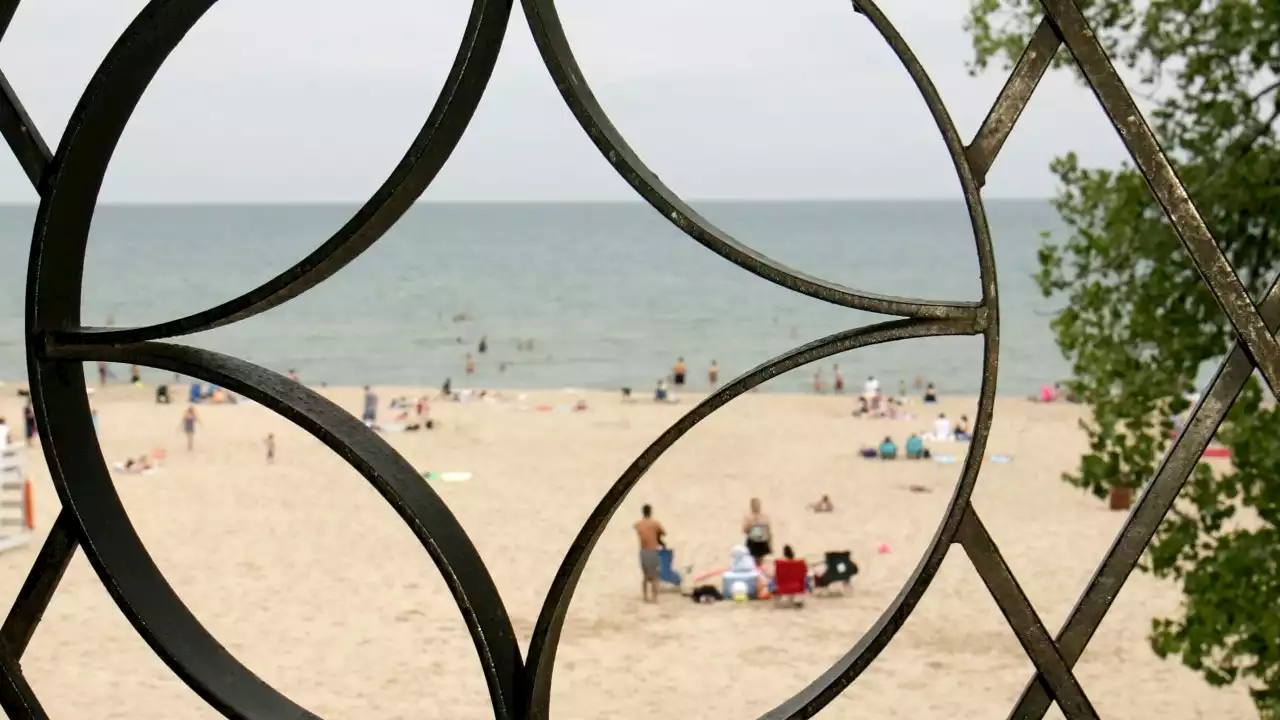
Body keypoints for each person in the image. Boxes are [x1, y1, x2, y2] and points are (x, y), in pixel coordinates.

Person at [634, 504, 666, 603]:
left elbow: (637, 529)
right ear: (650, 512)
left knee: (645, 576)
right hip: (653, 551)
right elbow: (663, 533)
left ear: (642, 512)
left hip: (643, 551)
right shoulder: (655, 523)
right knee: (655, 576)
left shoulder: (638, 524)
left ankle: (645, 597)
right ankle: (654, 598)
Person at [742, 498, 773, 567]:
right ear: (752, 506)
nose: (757, 507)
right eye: (755, 505)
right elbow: (745, 531)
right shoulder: (748, 518)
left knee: (761, 562)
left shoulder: (764, 517)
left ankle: (759, 573)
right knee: (752, 561)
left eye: (758, 505)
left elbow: (768, 531)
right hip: (752, 541)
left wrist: (770, 543)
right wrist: (751, 524)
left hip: (762, 541)